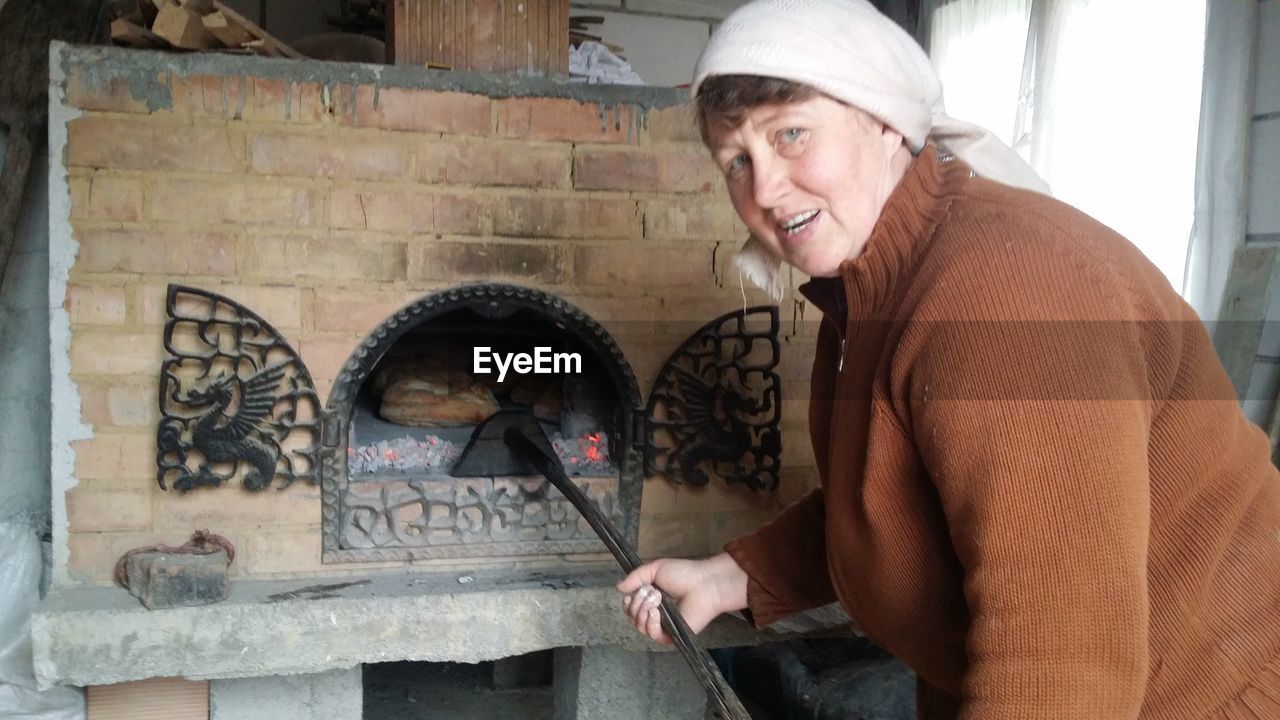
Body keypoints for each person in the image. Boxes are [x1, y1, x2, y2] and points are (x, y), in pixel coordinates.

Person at [616, 1, 1280, 718]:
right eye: (738, 160)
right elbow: (893, 494)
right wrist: (731, 576)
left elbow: (1057, 660)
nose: (766, 190)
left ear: (883, 122)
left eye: (793, 134)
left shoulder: (1003, 297)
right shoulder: (877, 281)